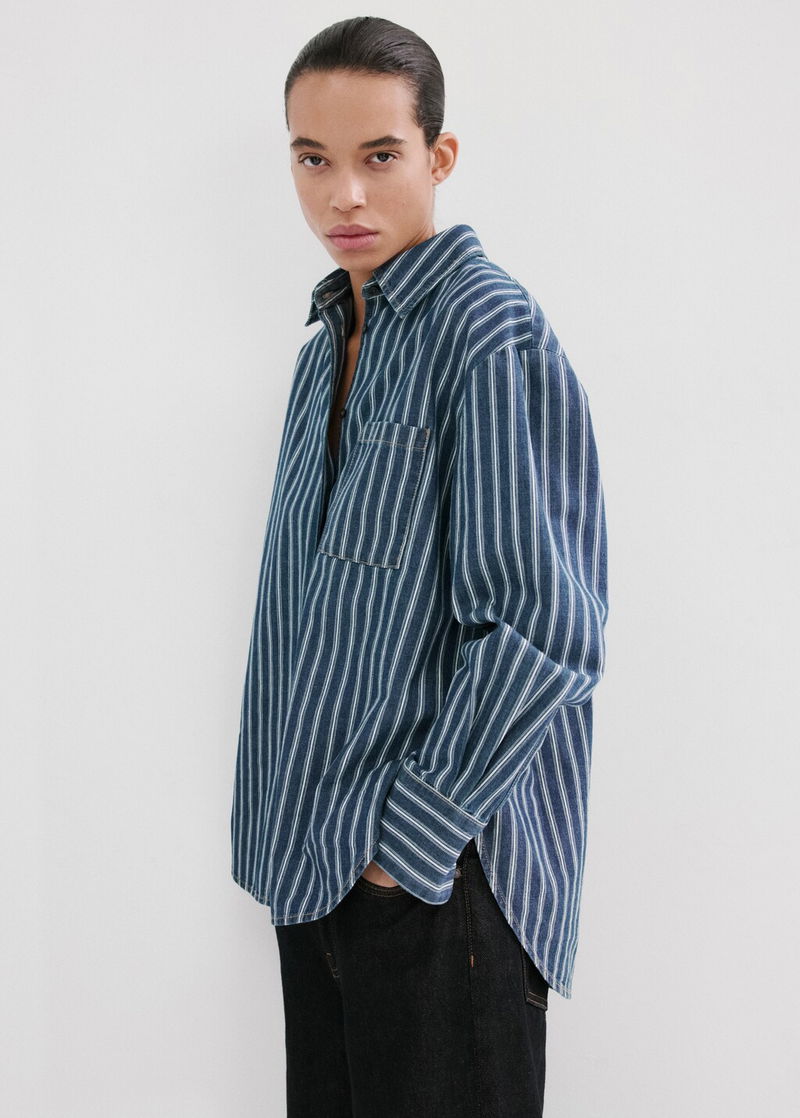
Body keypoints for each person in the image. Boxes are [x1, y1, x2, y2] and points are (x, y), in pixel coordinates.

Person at [230, 15, 609, 1117]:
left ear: (438, 158)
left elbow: (542, 626)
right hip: (317, 870)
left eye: (379, 155)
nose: (343, 194)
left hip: (440, 888)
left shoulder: (486, 330)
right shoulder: (324, 353)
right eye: (313, 158)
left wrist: (409, 846)